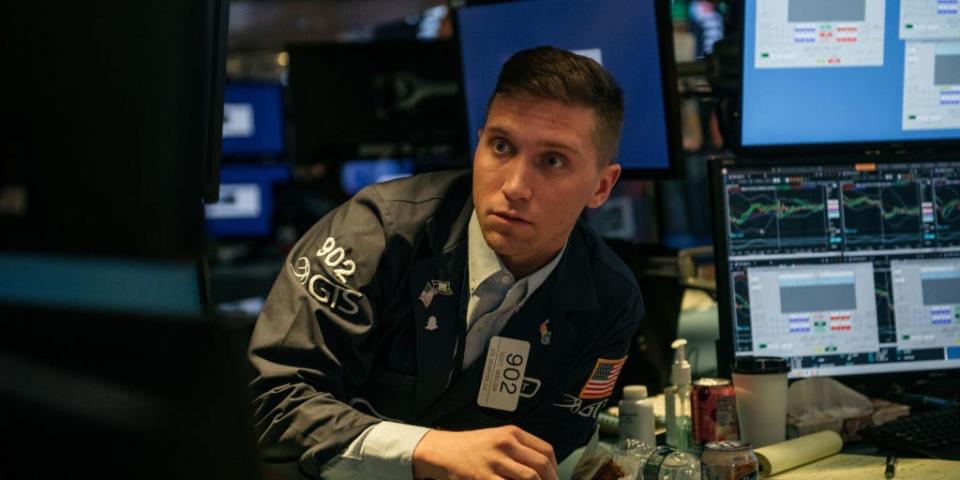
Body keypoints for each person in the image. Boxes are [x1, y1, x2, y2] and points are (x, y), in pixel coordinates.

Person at [248, 46, 644, 480]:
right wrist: (424, 449)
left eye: (552, 161)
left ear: (602, 187)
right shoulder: (376, 234)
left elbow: (545, 452)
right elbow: (271, 404)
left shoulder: (608, 300)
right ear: (478, 144)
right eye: (501, 146)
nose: (514, 186)